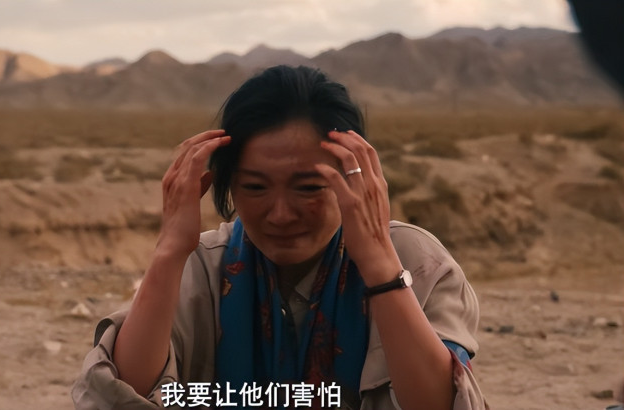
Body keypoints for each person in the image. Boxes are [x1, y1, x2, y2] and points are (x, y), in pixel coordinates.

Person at [72, 65, 487, 409]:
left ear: (356, 180)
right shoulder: (203, 266)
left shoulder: (416, 263)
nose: (281, 214)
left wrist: (381, 269)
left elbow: (441, 403)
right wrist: (168, 253)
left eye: (308, 188)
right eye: (255, 187)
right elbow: (117, 396)